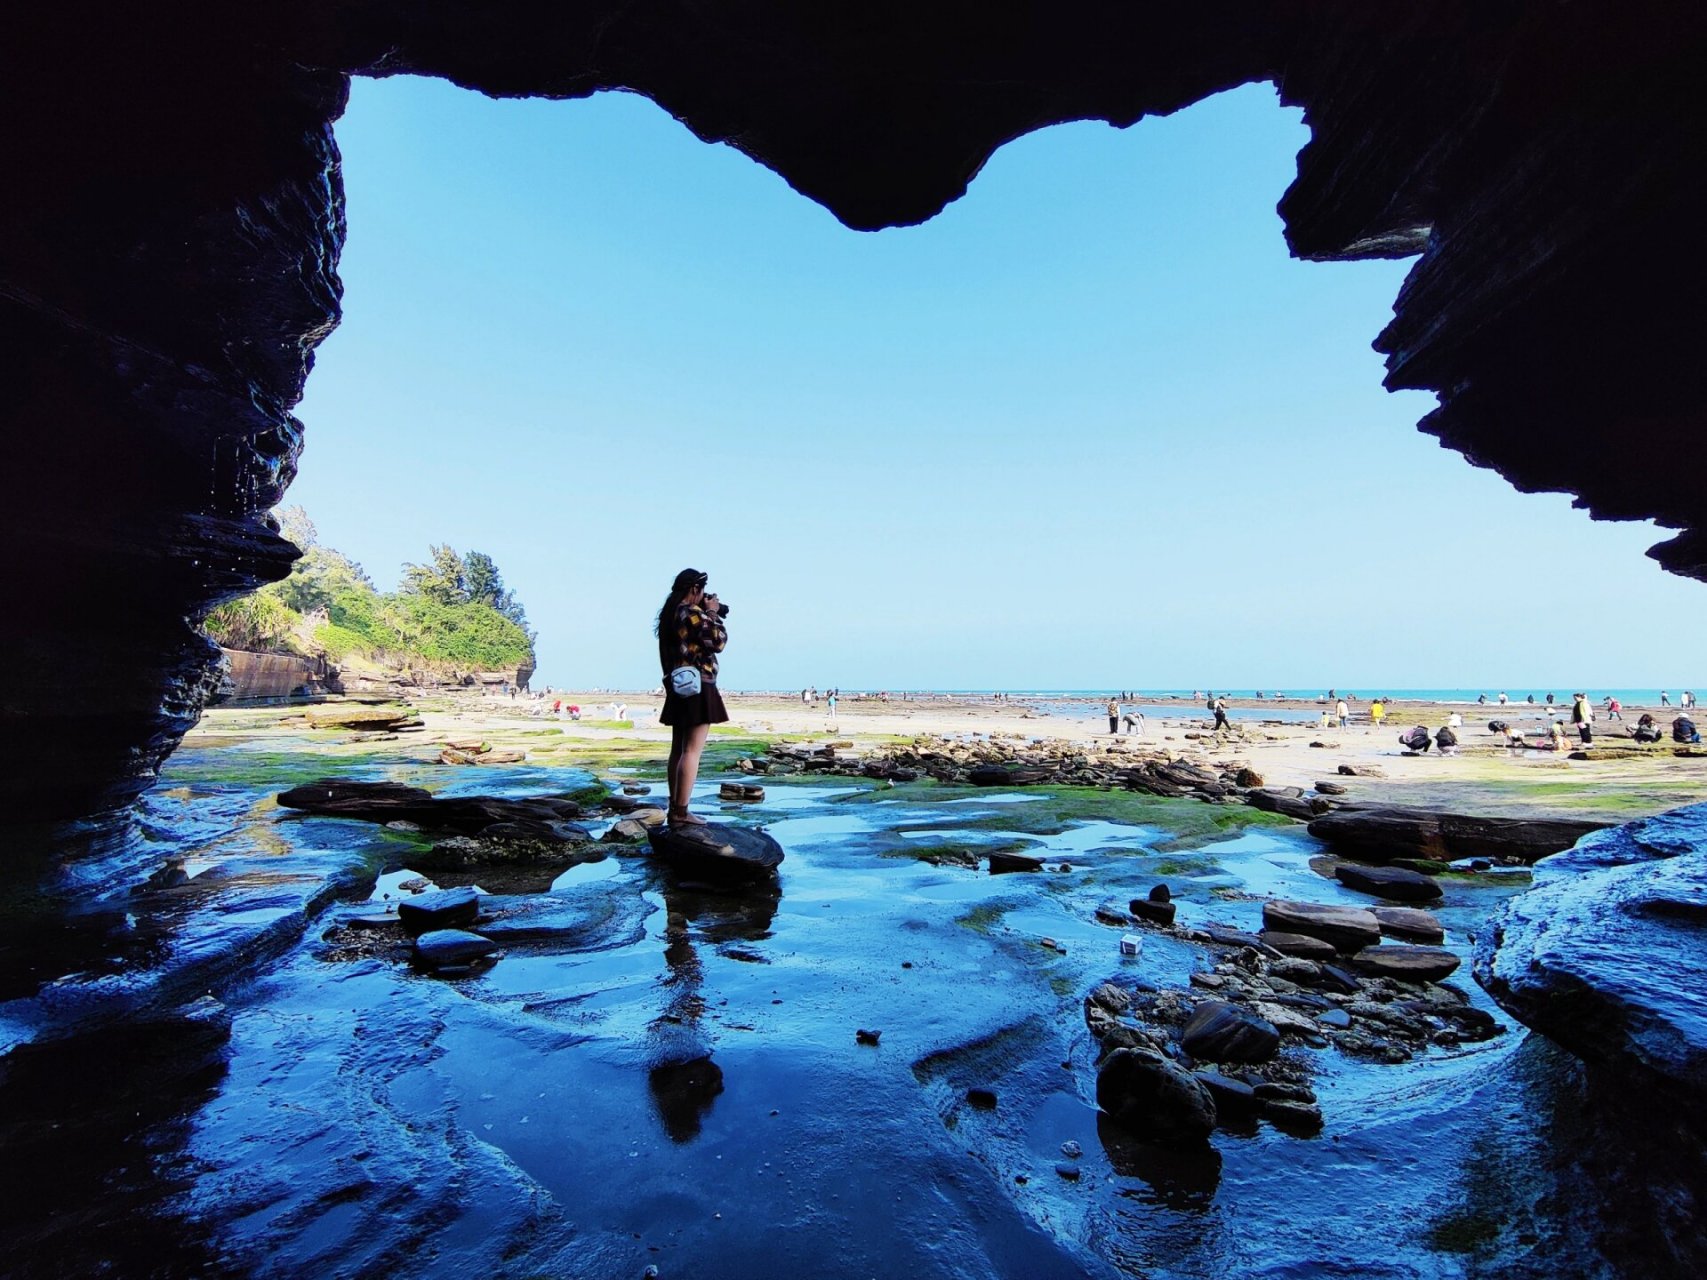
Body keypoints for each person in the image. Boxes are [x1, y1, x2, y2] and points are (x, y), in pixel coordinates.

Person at [656, 568, 730, 827]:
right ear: (694, 590)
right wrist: (711, 611)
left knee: (678, 749)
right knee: (692, 751)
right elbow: (718, 640)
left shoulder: (670, 614)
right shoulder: (691, 612)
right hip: (699, 685)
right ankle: (681, 812)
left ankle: (674, 808)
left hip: (679, 685)